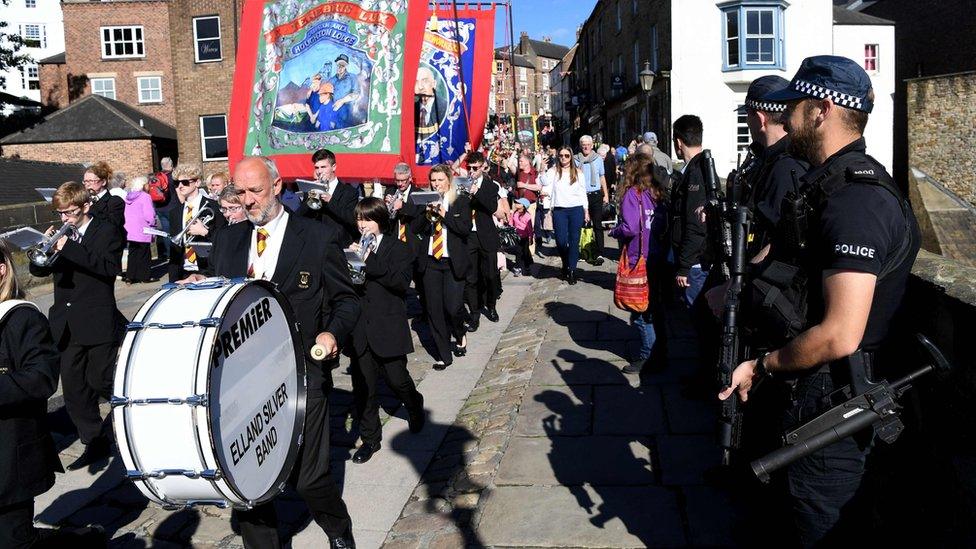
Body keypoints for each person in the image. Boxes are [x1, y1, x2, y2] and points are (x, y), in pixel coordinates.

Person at [719, 55, 921, 546]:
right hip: (807, 396)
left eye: (795, 107)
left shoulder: (858, 200)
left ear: (822, 110)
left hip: (831, 407)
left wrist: (764, 365)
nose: (786, 119)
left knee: (818, 528)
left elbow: (840, 333)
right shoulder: (830, 185)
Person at [183, 156, 359, 549]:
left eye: (255, 191)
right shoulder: (227, 240)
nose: (247, 201)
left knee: (309, 478)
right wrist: (200, 286)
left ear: (277, 186)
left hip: (301, 374)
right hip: (239, 381)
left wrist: (331, 334)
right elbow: (220, 301)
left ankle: (338, 528)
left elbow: (347, 301)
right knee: (247, 479)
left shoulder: (315, 236)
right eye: (240, 192)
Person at [0, 242, 109, 548]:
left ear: (1, 270)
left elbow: (42, 378)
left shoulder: (22, 318)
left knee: (14, 541)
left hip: (9, 458)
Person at [29, 181, 126, 471]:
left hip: (96, 320)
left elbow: (108, 268)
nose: (64, 219)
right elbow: (37, 268)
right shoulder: (63, 234)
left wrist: (68, 247)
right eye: (60, 214)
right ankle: (93, 441)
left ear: (85, 207)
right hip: (66, 324)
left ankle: (133, 422)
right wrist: (44, 248)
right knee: (74, 392)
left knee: (102, 381)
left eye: (70, 213)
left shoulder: (105, 231)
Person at [347, 198, 425, 465]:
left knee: (397, 379)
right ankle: (370, 439)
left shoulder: (398, 248)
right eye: (359, 218)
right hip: (361, 327)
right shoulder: (353, 247)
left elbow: (400, 283)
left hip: (388, 325)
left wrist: (369, 259)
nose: (362, 224)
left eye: (367, 219)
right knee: (364, 388)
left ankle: (414, 404)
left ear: (380, 221)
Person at [609, 153, 670, 374]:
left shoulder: (632, 195)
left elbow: (631, 227)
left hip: (638, 258)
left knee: (639, 309)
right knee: (655, 307)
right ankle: (661, 353)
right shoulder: (657, 193)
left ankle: (648, 356)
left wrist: (615, 231)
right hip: (658, 256)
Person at [410, 164, 472, 370]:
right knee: (434, 310)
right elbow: (415, 228)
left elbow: (464, 230)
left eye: (440, 180)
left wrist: (444, 213)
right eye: (433, 181)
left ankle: (460, 332)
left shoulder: (460, 200)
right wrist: (424, 212)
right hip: (431, 262)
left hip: (452, 262)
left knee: (453, 308)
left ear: (449, 180)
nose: (436, 184)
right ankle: (444, 355)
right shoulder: (426, 199)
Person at [669, 115, 709, 307]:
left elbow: (695, 224)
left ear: (678, 142)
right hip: (692, 261)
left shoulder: (696, 173)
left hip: (695, 265)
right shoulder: (697, 168)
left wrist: (684, 267)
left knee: (697, 321)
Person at [463, 151, 501, 332]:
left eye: (475, 168)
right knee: (471, 278)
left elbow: (492, 207)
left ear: (482, 166)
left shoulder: (490, 185)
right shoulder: (462, 184)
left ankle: (491, 306)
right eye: (469, 168)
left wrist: (476, 192)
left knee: (490, 275)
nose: (471, 171)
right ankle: (474, 314)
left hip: (486, 235)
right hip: (469, 235)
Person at [166, 163, 225, 282]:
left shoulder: (213, 207)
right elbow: (175, 250)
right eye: (177, 183)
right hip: (183, 272)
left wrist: (205, 232)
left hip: (207, 270)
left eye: (185, 182)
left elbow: (224, 240)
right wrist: (172, 280)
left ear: (197, 183)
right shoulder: (175, 212)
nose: (180, 186)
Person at [544, 146, 589, 284]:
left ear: (571, 157)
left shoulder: (578, 173)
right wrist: (543, 167)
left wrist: (586, 210)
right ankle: (565, 263)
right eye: (561, 155)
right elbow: (544, 183)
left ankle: (572, 270)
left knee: (574, 241)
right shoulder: (553, 172)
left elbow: (583, 192)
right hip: (559, 210)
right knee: (561, 241)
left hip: (576, 209)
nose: (564, 158)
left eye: (567, 156)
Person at [299, 148, 360, 247]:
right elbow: (300, 217)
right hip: (316, 245)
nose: (319, 171)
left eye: (323, 167)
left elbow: (352, 219)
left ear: (334, 167)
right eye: (317, 167)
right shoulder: (311, 191)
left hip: (339, 245)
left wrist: (330, 200)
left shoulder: (349, 192)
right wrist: (309, 198)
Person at [573, 135, 608, 265]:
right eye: (583, 144)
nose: (586, 146)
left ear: (592, 145)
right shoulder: (575, 160)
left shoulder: (598, 159)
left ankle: (600, 253)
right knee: (582, 224)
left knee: (597, 225)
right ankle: (583, 251)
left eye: (588, 144)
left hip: (595, 195)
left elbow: (602, 177)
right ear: (580, 146)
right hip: (581, 195)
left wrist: (606, 194)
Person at [122, 175, 156, 283]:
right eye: (147, 184)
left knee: (132, 253)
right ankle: (144, 276)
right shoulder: (145, 197)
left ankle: (130, 276)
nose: (149, 186)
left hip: (130, 230)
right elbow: (149, 214)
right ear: (143, 185)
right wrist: (153, 223)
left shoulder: (127, 197)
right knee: (144, 254)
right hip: (143, 229)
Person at [83, 161, 125, 236]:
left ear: (103, 182)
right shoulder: (84, 201)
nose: (88, 184)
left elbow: (112, 225)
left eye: (91, 181)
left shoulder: (115, 201)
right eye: (85, 181)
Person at [153, 156, 176, 262]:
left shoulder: (157, 176)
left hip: (160, 208)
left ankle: (168, 254)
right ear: (171, 164)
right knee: (175, 231)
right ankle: (175, 253)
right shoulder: (173, 177)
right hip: (172, 208)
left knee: (166, 232)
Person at [415, 65, 446, 142]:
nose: (420, 87)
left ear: (434, 84)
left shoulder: (445, 108)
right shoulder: (409, 109)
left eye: (425, 81)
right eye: (416, 82)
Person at [328, 54, 360, 128]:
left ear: (346, 66)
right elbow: (328, 94)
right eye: (339, 65)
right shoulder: (332, 80)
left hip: (347, 109)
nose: (340, 67)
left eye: (343, 65)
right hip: (333, 109)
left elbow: (356, 94)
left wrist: (342, 101)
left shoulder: (352, 77)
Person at [510, 198, 533, 277]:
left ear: (523, 206)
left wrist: (531, 237)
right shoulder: (515, 213)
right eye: (516, 202)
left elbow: (530, 228)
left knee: (526, 253)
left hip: (525, 237)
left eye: (518, 203)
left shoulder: (527, 215)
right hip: (517, 236)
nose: (515, 204)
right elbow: (511, 223)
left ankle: (527, 268)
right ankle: (518, 268)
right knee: (518, 252)